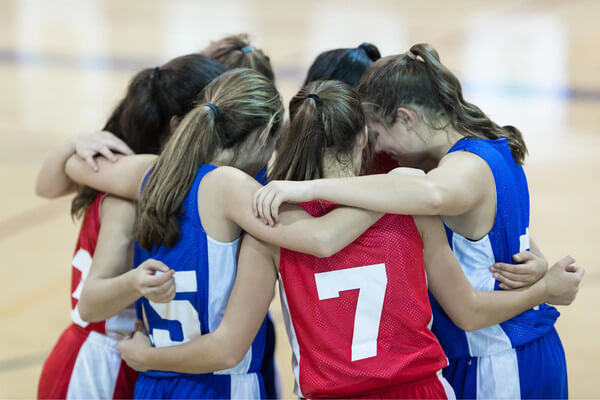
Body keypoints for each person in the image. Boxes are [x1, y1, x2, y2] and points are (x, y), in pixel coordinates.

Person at [117, 80, 582, 399]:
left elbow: (232, 341)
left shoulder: (274, 231)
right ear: (364, 139)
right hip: (419, 389)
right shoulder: (412, 208)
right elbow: (468, 311)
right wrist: (544, 288)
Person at [253, 44, 580, 399]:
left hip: (497, 358)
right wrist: (539, 259)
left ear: (407, 118)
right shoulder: (484, 147)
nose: (377, 150)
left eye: (377, 135)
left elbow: (433, 195)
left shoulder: (457, 170)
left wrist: (309, 187)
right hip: (501, 353)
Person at [62, 69, 385, 399]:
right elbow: (322, 238)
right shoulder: (230, 188)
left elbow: (76, 165)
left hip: (153, 386)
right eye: (274, 143)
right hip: (216, 385)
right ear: (264, 136)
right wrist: (390, 192)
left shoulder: (153, 173)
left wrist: (77, 142)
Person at [35, 54, 226, 399]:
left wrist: (70, 149)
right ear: (178, 125)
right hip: (100, 361)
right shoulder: (129, 196)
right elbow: (91, 303)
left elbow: (46, 186)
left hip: (127, 356)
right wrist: (72, 144)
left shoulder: (143, 178)